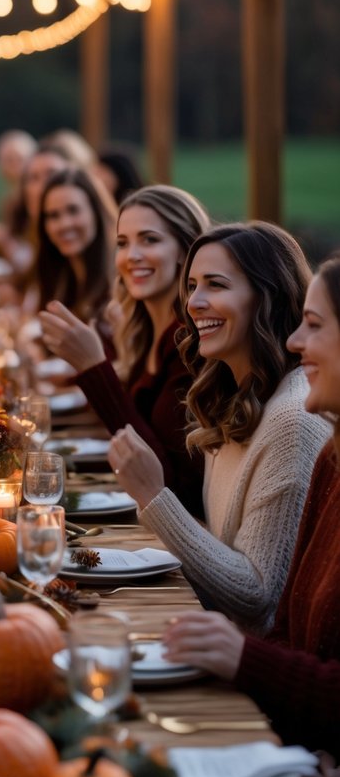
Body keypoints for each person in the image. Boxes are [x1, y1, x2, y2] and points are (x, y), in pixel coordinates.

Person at [162, 255, 340, 777]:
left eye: (315, 325)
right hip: (303, 743)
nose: (294, 342)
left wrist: (244, 659)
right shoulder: (334, 460)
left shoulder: (296, 426)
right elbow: (291, 629)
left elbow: (261, 605)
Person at [109, 222, 331, 635]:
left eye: (216, 285)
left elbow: (257, 598)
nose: (194, 303)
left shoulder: (292, 419)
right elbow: (222, 547)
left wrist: (154, 497)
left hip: (248, 670)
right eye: (192, 285)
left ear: (268, 298)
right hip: (213, 635)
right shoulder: (233, 396)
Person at [39, 185, 209, 516]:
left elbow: (166, 481)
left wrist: (93, 367)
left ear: (185, 250)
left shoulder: (190, 343)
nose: (132, 256)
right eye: (123, 243)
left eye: (150, 239)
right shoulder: (145, 332)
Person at [34, 165, 118, 329]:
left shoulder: (118, 280)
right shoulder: (60, 276)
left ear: (96, 213)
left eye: (73, 211)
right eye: (53, 215)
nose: (64, 224)